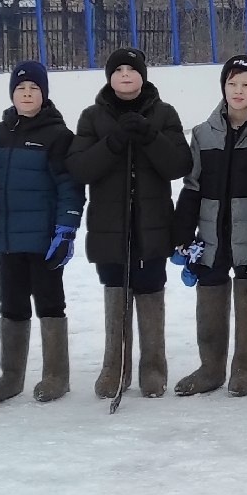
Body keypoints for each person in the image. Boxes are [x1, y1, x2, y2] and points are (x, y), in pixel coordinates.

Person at [66, 48, 191, 399]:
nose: (124, 75)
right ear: (109, 77)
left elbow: (179, 164)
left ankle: (153, 368)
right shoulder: (93, 117)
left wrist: (150, 136)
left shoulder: (164, 114)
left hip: (152, 225)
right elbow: (80, 167)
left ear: (143, 76)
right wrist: (114, 141)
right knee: (115, 293)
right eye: (118, 69)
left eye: (131, 69)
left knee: (150, 290)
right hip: (110, 227)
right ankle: (114, 368)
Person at [172, 55, 247, 399]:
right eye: (232, 83)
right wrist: (182, 234)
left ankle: (245, 368)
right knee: (209, 291)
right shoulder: (205, 132)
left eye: (246, 84)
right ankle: (210, 368)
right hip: (212, 232)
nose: (238, 91)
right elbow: (192, 186)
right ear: (223, 86)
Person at [0, 61, 81, 404]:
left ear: (44, 94)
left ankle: (55, 375)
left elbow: (70, 187)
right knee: (12, 304)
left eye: (34, 89)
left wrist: (67, 229)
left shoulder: (58, 135)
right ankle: (11, 376)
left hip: (44, 239)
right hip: (8, 238)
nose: (27, 94)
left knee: (49, 303)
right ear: (12, 94)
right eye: (21, 89)